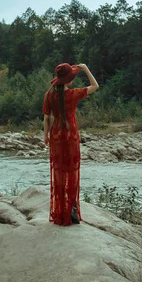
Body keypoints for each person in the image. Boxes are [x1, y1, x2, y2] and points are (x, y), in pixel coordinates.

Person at [42, 63, 99, 226]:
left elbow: (46, 118)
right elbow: (96, 86)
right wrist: (86, 69)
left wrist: (45, 136)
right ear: (69, 80)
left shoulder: (48, 95)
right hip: (71, 136)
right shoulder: (74, 94)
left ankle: (60, 211)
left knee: (59, 172)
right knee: (72, 172)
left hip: (56, 136)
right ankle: (71, 210)